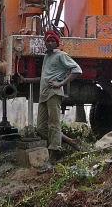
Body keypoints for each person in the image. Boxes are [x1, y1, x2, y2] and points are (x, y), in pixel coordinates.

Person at [18, 31, 82, 161]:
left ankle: (54, 154)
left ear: (57, 43)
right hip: (44, 94)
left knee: (54, 124)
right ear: (45, 43)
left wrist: (61, 83)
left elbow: (77, 70)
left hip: (54, 93)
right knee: (41, 128)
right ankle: (71, 141)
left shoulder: (61, 55)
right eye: (48, 41)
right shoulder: (47, 57)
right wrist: (26, 80)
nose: (50, 43)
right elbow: (44, 78)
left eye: (53, 41)